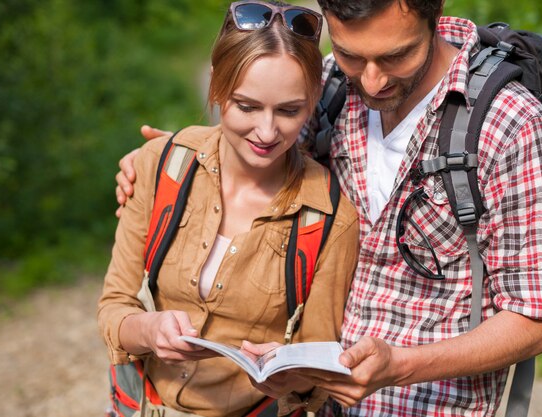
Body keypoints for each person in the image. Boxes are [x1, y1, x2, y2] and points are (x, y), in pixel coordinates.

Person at [115, 1, 542, 416]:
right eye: (353, 54)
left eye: (396, 56)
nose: (371, 80)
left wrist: (403, 365)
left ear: (434, 13)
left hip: (434, 406)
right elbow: (255, 139)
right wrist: (163, 158)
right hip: (319, 406)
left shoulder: (513, 128)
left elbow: (535, 319)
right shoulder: (331, 83)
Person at [98, 2, 359, 417]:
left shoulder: (330, 218)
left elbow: (318, 360)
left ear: (312, 102)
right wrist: (148, 330)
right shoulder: (158, 167)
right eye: (247, 106)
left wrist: (289, 372)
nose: (267, 131)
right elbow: (114, 307)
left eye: (289, 110)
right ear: (217, 88)